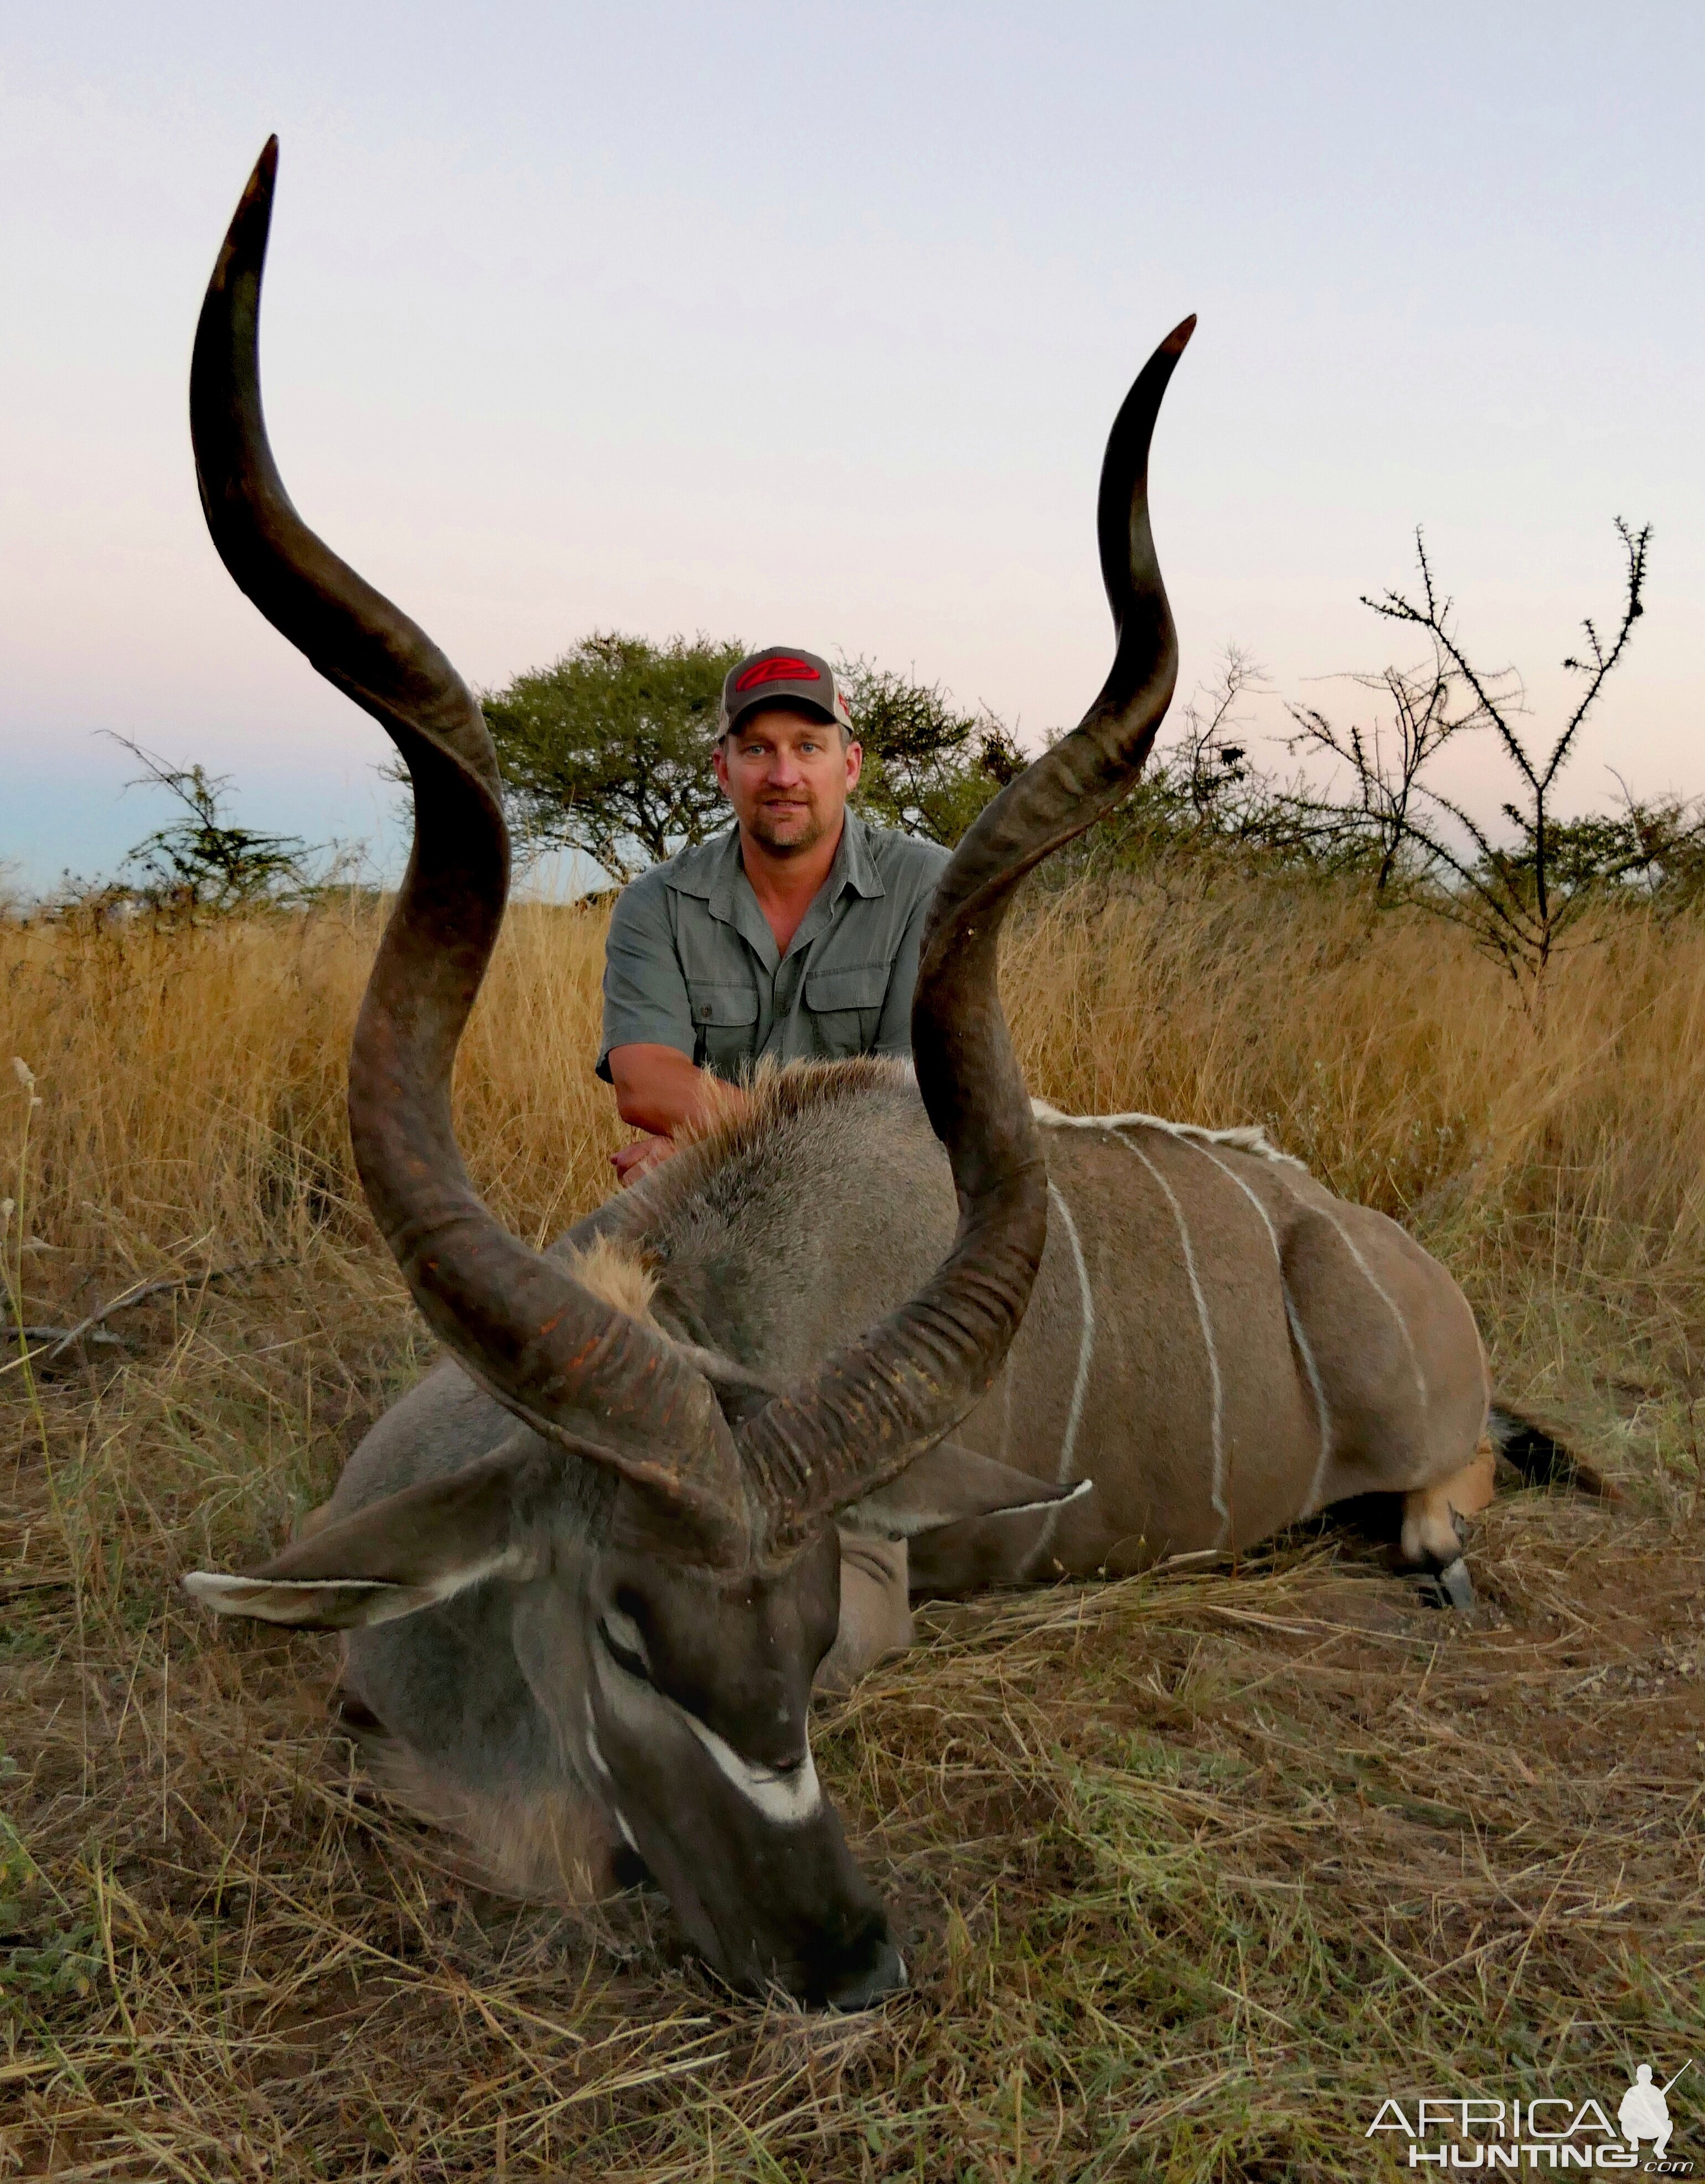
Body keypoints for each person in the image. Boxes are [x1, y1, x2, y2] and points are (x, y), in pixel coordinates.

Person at [597, 645, 950, 1183]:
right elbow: (645, 1084)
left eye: (808, 747)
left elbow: (915, 1110)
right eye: (758, 749)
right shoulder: (655, 903)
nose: (784, 775)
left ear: (849, 766)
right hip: (730, 1206)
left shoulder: (928, 887)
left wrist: (713, 1147)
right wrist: (774, 1143)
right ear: (723, 770)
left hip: (881, 1199)